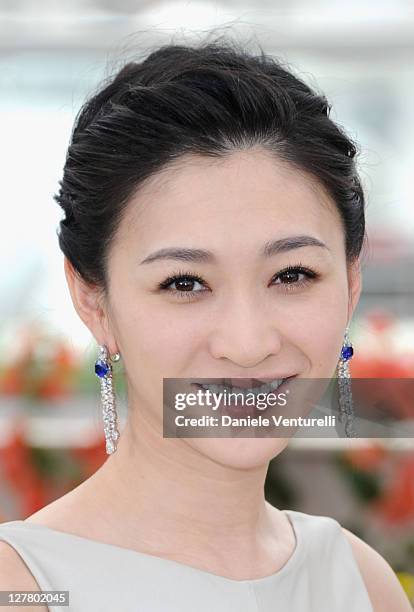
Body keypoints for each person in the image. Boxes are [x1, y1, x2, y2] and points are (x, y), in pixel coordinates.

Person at [0, 35, 411, 612]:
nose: (246, 344)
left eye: (291, 275)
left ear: (351, 281)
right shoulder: (23, 589)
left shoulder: (361, 582)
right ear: (93, 300)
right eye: (184, 283)